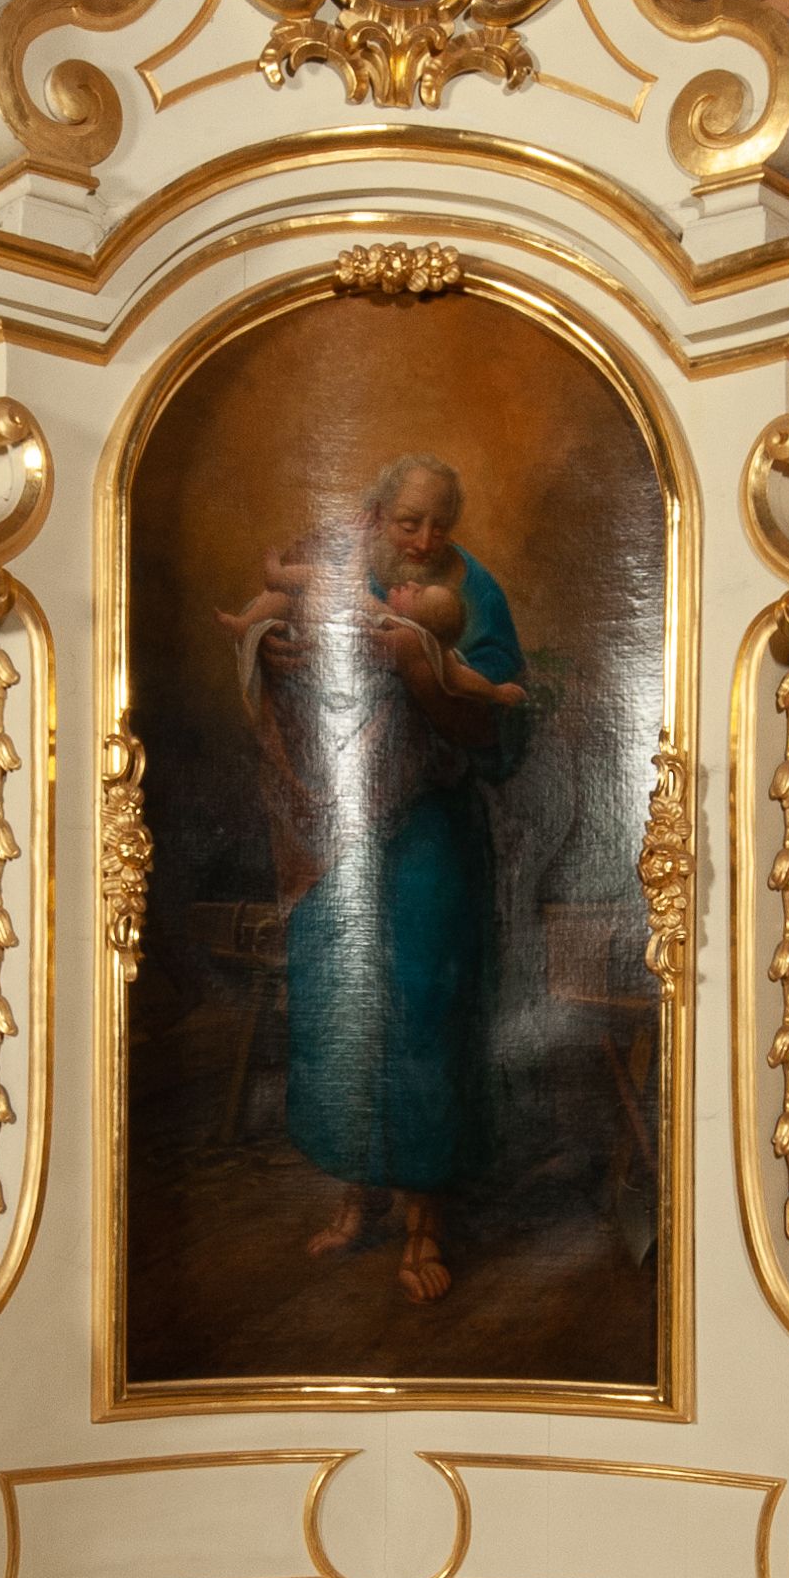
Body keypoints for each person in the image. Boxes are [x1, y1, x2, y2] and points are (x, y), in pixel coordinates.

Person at [226, 456, 526, 1301]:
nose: (424, 540)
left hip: (428, 826)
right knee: (338, 1005)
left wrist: (419, 673)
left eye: (439, 524)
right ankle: (356, 1196)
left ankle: (424, 1221)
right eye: (407, 522)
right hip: (336, 833)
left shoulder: (474, 594)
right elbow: (269, 626)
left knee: (424, 1009)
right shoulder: (335, 561)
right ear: (375, 515)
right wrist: (265, 648)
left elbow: (500, 721)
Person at [219, 529, 526, 711]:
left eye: (418, 594)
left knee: (325, 577)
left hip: (318, 649)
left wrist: (358, 547)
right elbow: (460, 677)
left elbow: (352, 583)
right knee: (312, 587)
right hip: (319, 645)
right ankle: (247, 622)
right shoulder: (430, 647)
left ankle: (274, 581)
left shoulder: (400, 625)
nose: (412, 584)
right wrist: (495, 692)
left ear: (419, 622)